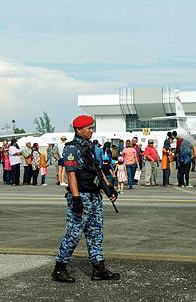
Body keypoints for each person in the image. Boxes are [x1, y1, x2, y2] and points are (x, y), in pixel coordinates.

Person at [52, 115, 119, 283]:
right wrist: (76, 199)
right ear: (78, 129)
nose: (91, 130)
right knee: (74, 234)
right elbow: (71, 174)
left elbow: (97, 169)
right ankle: (59, 268)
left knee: (95, 233)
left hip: (94, 196)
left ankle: (98, 268)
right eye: (88, 128)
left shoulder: (89, 147)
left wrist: (108, 187)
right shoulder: (71, 148)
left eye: (91, 127)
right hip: (81, 195)